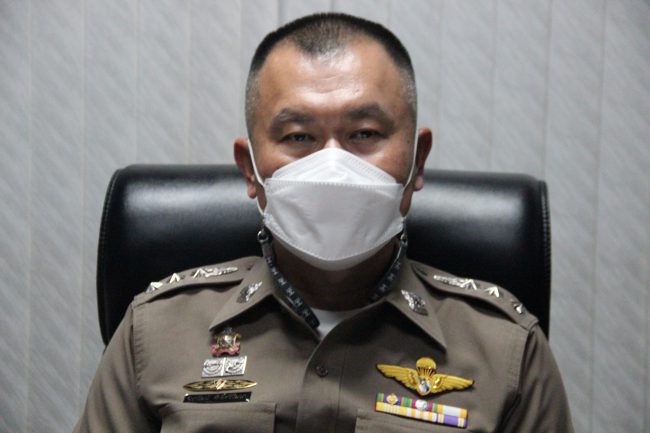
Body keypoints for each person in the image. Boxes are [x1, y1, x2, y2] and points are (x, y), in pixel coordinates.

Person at [74, 12, 574, 433]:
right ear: (250, 170)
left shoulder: (508, 352)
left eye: (364, 133)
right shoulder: (156, 331)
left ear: (417, 161)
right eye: (298, 137)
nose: (333, 166)